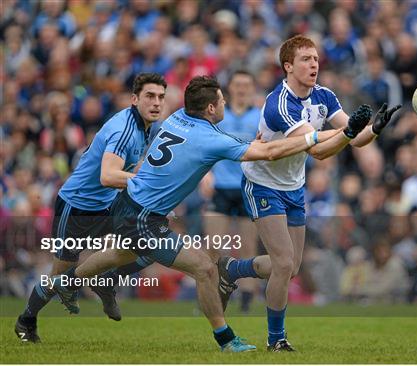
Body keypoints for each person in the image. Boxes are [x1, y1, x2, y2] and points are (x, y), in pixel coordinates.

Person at [49, 75, 369, 352]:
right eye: (222, 100)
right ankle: (226, 338)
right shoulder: (210, 139)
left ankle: (67, 282)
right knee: (204, 267)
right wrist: (316, 135)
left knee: (119, 255)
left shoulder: (176, 117)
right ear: (212, 108)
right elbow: (270, 152)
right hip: (143, 218)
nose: (226, 103)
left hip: (130, 204)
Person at [217, 35, 401, 351]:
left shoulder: (325, 96)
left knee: (290, 266)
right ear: (288, 66)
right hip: (263, 184)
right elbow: (317, 150)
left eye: (315, 58)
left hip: (293, 186)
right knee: (284, 262)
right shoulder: (279, 104)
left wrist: (374, 129)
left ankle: (233, 269)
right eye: (305, 59)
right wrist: (349, 132)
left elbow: (354, 141)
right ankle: (277, 340)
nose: (313, 64)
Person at [14, 73, 167, 343]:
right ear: (135, 99)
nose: (157, 103)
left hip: (107, 205)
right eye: (150, 96)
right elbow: (108, 176)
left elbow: (125, 172)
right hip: (76, 207)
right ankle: (26, 320)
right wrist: (146, 183)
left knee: (152, 244)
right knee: (60, 275)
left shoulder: (145, 126)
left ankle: (106, 281)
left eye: (161, 97)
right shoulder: (125, 130)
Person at [204, 70, 260, 313]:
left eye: (246, 84)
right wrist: (205, 174)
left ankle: (247, 299)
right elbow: (204, 148)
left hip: (249, 188)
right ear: (230, 89)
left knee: (248, 247)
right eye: (237, 84)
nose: (241, 89)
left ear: (252, 89)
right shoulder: (218, 117)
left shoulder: (260, 117)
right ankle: (212, 297)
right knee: (214, 246)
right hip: (221, 189)